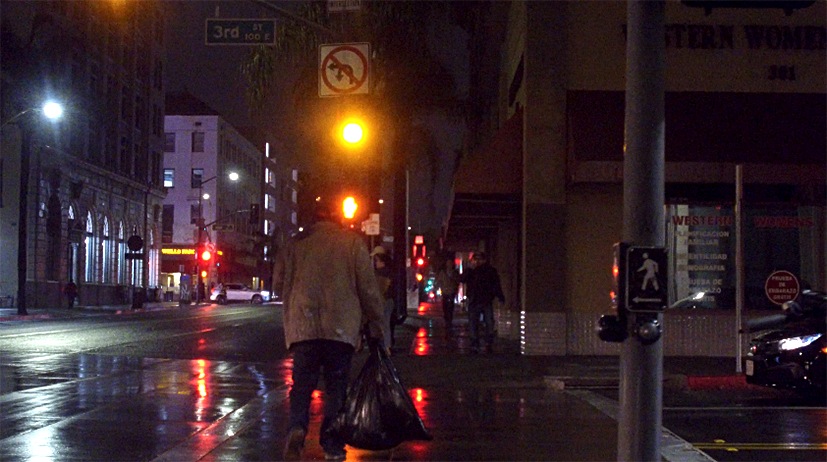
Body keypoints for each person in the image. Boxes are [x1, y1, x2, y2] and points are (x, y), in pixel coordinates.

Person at [272, 195, 386, 462]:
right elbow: (368, 290)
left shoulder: (294, 246)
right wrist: (377, 324)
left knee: (302, 386)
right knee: (337, 388)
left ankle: (298, 428)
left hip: (304, 328)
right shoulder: (353, 244)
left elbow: (277, 284)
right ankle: (332, 444)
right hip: (341, 329)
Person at [458, 252, 504, 353]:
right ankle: (475, 342)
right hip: (475, 300)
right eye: (476, 260)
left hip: (485, 300)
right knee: (475, 322)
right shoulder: (472, 271)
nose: (477, 262)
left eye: (479, 259)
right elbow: (462, 279)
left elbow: (496, 284)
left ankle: (487, 342)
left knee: (488, 322)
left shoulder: (490, 271)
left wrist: (500, 296)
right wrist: (469, 269)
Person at [371, 246, 396, 352]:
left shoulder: (380, 274)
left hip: (384, 300)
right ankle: (387, 345)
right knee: (386, 323)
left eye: (376, 260)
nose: (375, 263)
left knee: (384, 324)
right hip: (389, 300)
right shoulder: (390, 271)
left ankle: (386, 346)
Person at [435, 258, 459, 330]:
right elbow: (439, 281)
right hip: (445, 291)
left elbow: (457, 281)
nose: (449, 265)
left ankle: (450, 320)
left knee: (451, 306)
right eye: (448, 263)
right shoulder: (443, 272)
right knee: (445, 306)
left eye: (450, 263)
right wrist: (438, 287)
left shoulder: (454, 272)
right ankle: (446, 319)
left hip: (452, 291)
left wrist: (455, 288)